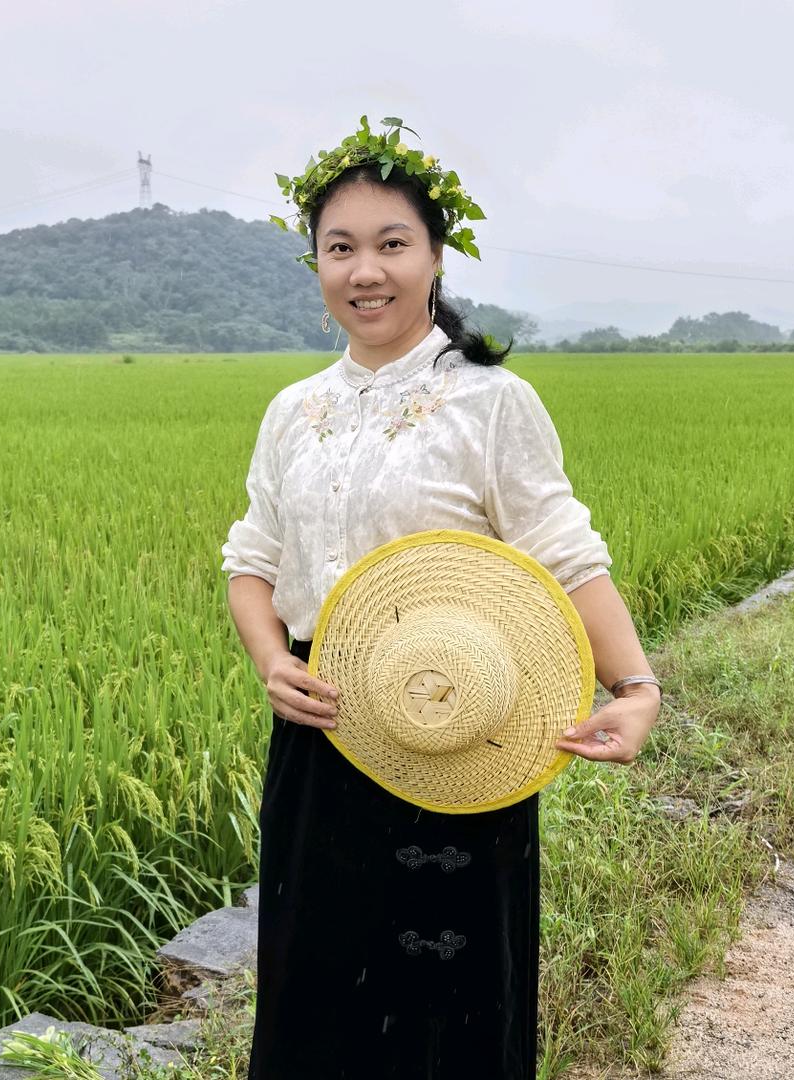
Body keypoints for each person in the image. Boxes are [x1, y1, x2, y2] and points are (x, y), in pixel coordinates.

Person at [220, 118, 662, 1079]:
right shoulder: (294, 409)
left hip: (464, 736)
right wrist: (271, 660)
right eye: (341, 248)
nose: (364, 271)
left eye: (391, 245)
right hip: (322, 738)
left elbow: (565, 552)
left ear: (434, 256)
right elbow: (251, 556)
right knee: (314, 997)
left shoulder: (491, 403)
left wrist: (634, 687)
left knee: (448, 1010)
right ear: (317, 263)